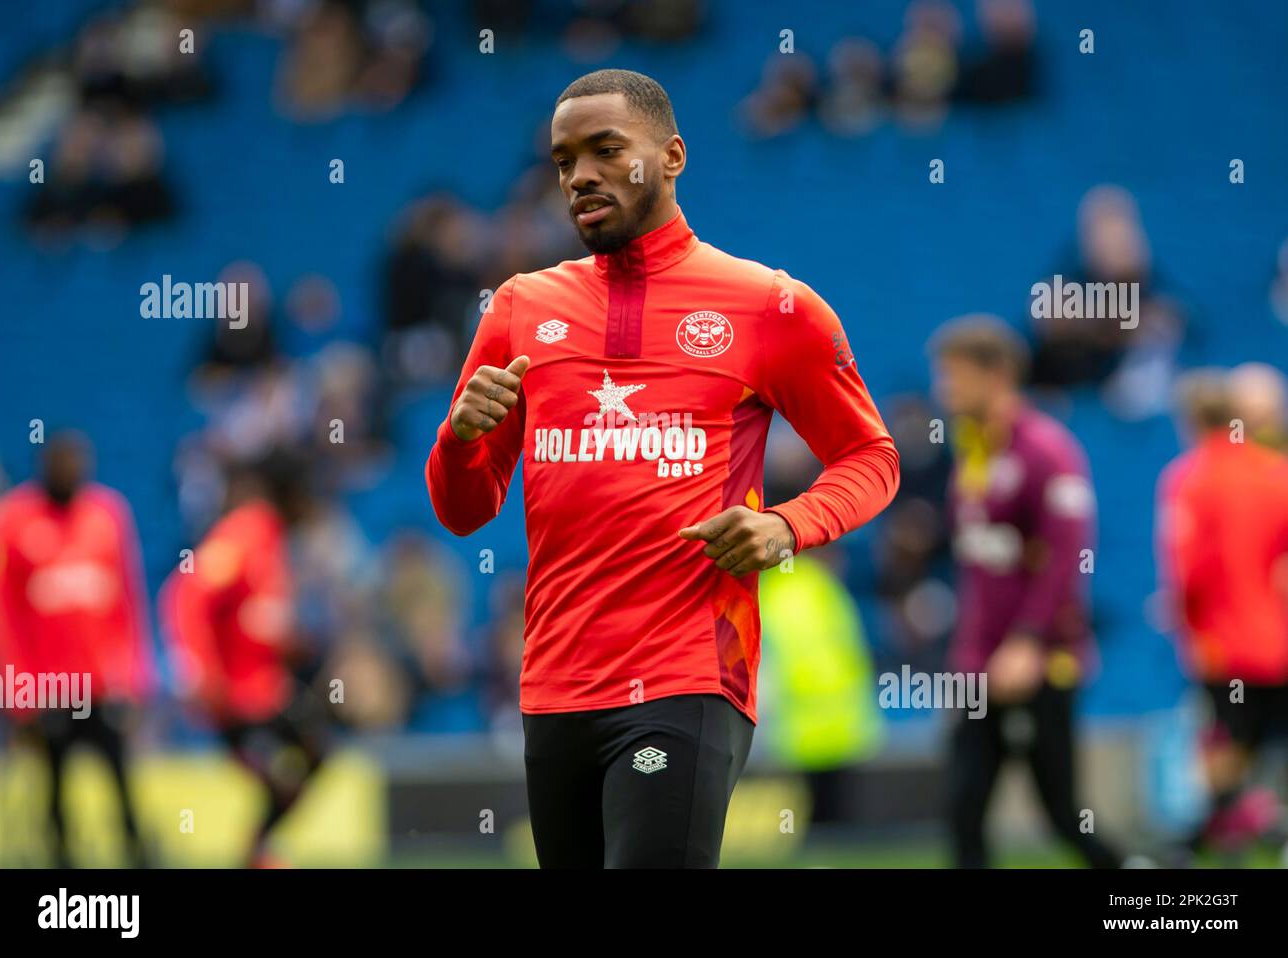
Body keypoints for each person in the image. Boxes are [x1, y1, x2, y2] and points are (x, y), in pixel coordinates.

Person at [425, 69, 900, 868]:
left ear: (672, 155)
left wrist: (787, 525)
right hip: (555, 684)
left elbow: (870, 456)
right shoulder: (519, 309)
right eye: (564, 159)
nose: (580, 175)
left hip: (688, 676)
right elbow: (466, 510)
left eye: (607, 149)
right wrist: (459, 438)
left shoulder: (770, 307)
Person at [929, 315, 1122, 868]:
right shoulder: (972, 451)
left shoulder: (1047, 451)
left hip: (1039, 661)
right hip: (979, 663)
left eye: (956, 376)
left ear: (999, 375)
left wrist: (1029, 641)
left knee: (1062, 814)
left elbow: (1067, 558)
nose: (945, 389)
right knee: (962, 811)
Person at [0, 432, 153, 867]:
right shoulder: (12, 521)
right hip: (48, 685)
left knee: (119, 775)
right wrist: (16, 686)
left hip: (101, 683)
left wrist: (134, 677)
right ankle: (61, 866)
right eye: (62, 461)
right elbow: (2, 615)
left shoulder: (108, 515)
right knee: (54, 780)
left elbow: (128, 602)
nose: (71, 470)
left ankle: (137, 853)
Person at [159, 449, 326, 868]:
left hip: (266, 690)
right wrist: (195, 669)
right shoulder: (246, 532)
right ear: (290, 495)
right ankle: (257, 853)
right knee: (281, 772)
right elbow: (186, 595)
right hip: (234, 697)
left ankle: (257, 850)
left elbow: (254, 617)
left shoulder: (272, 538)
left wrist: (286, 643)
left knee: (312, 755)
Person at [1157, 370, 1288, 857]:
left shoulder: (1191, 479)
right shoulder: (1275, 472)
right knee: (1251, 742)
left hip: (1225, 642)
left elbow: (1189, 569)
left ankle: (1212, 839)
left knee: (1224, 744)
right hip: (1278, 638)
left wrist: (1183, 621)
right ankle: (1244, 828)